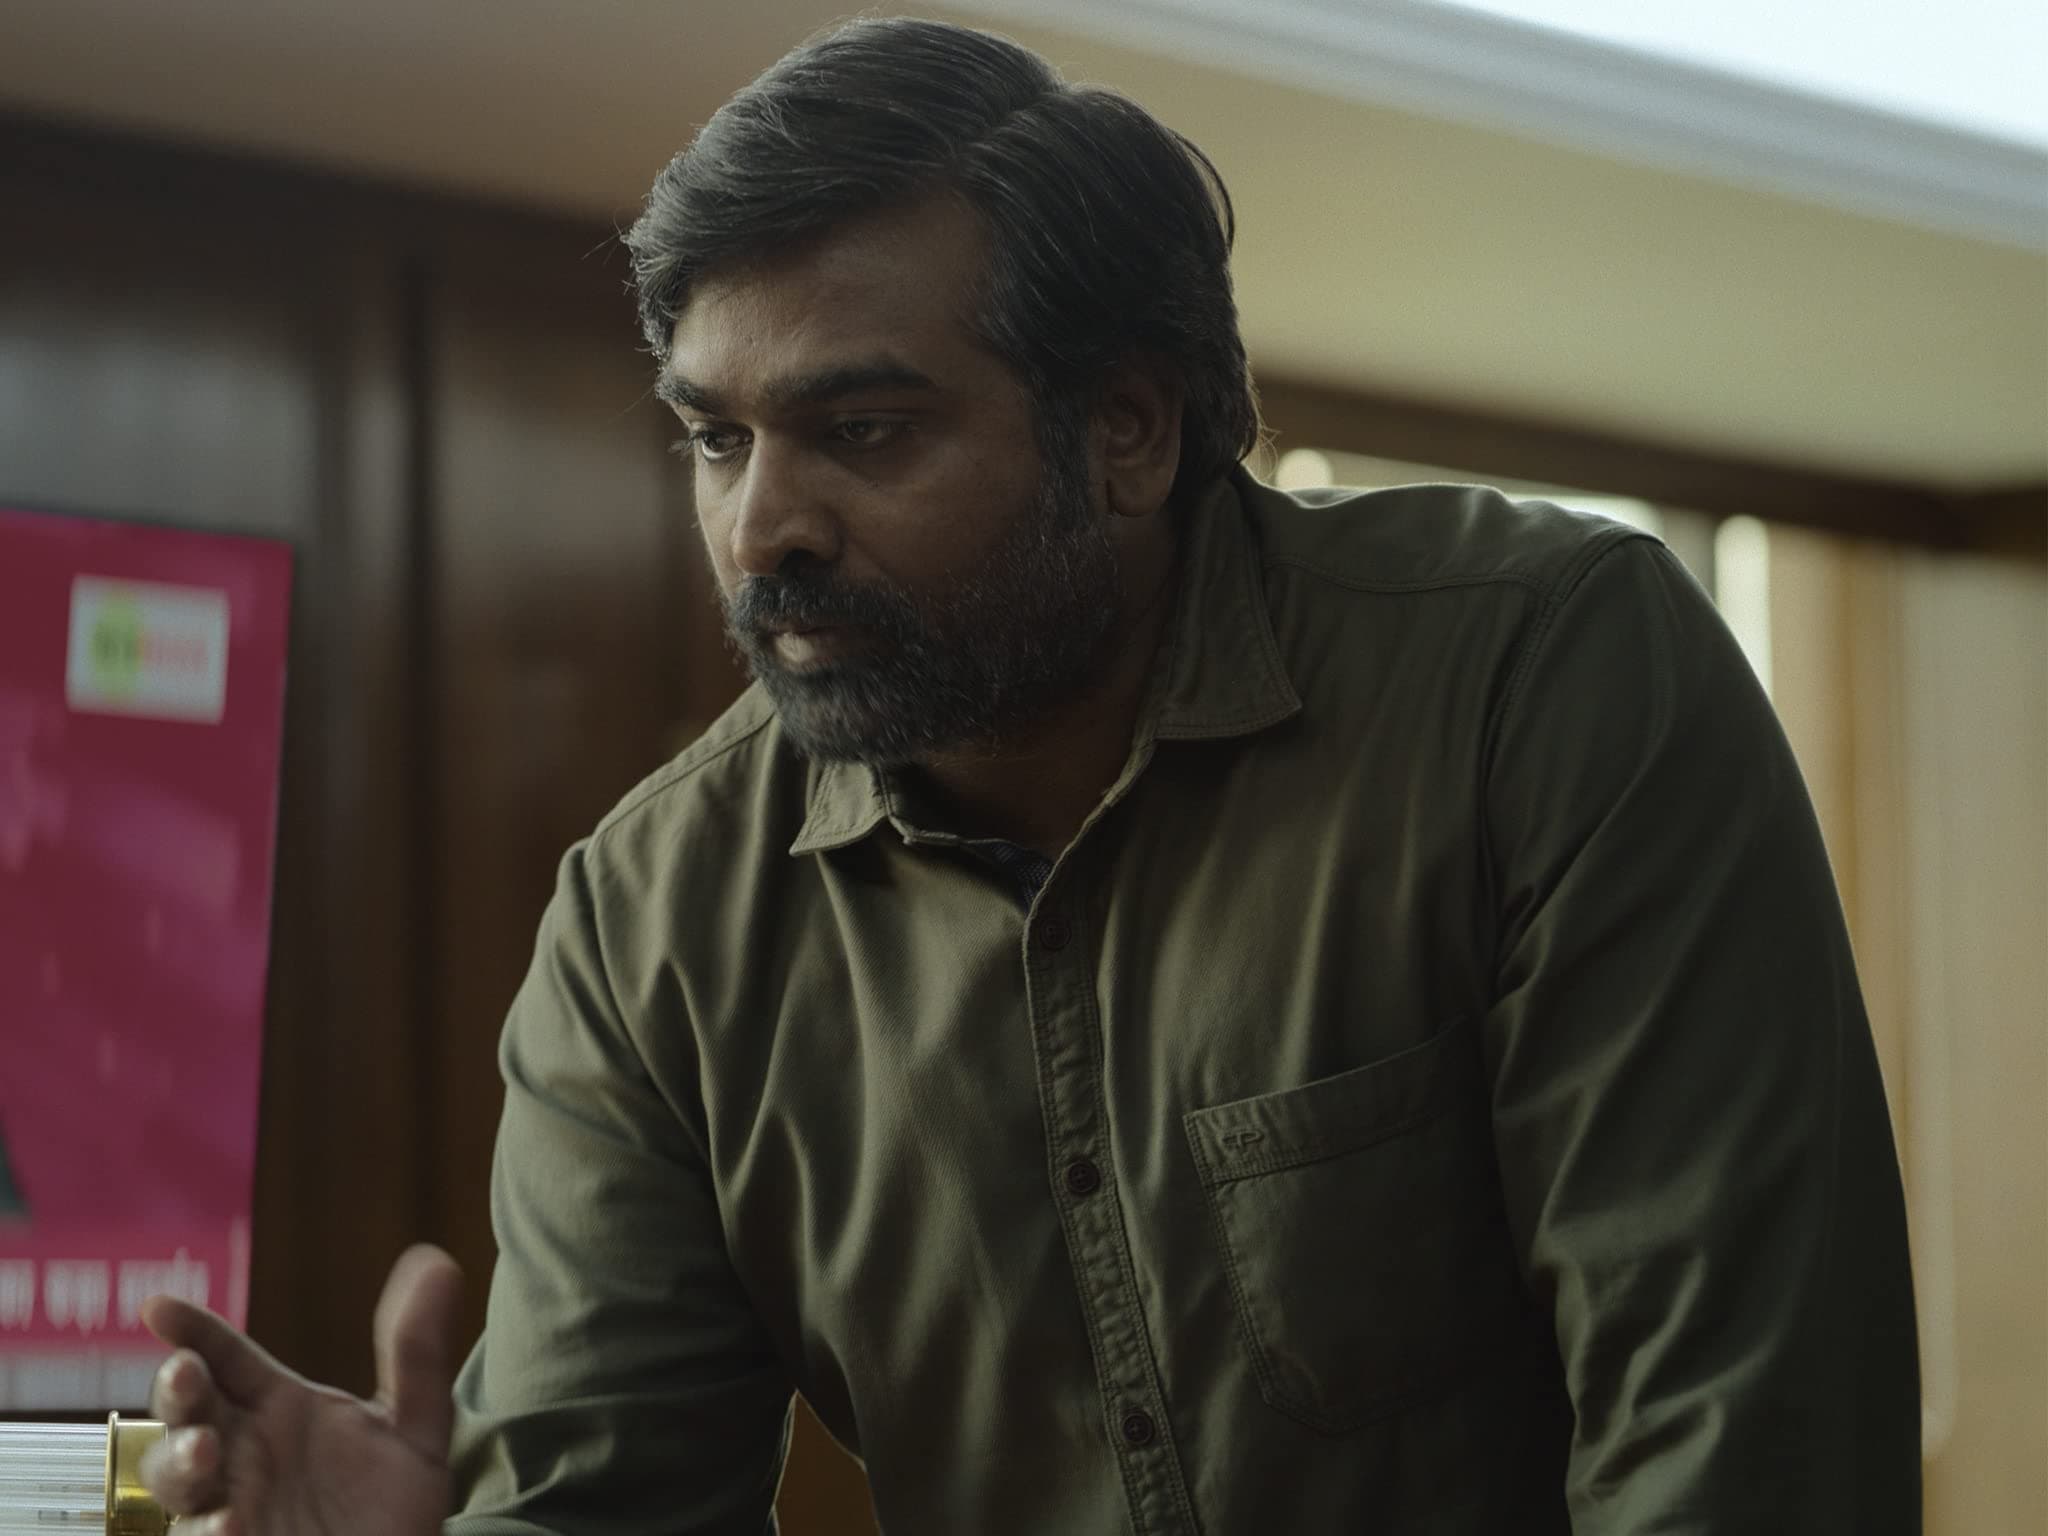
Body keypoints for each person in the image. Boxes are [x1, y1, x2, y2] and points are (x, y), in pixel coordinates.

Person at [138, 16, 1921, 1535]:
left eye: (862, 430)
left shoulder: (1536, 679)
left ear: (1127, 429)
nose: (761, 529)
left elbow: (1743, 1453)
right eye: (715, 438)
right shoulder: (654, 921)